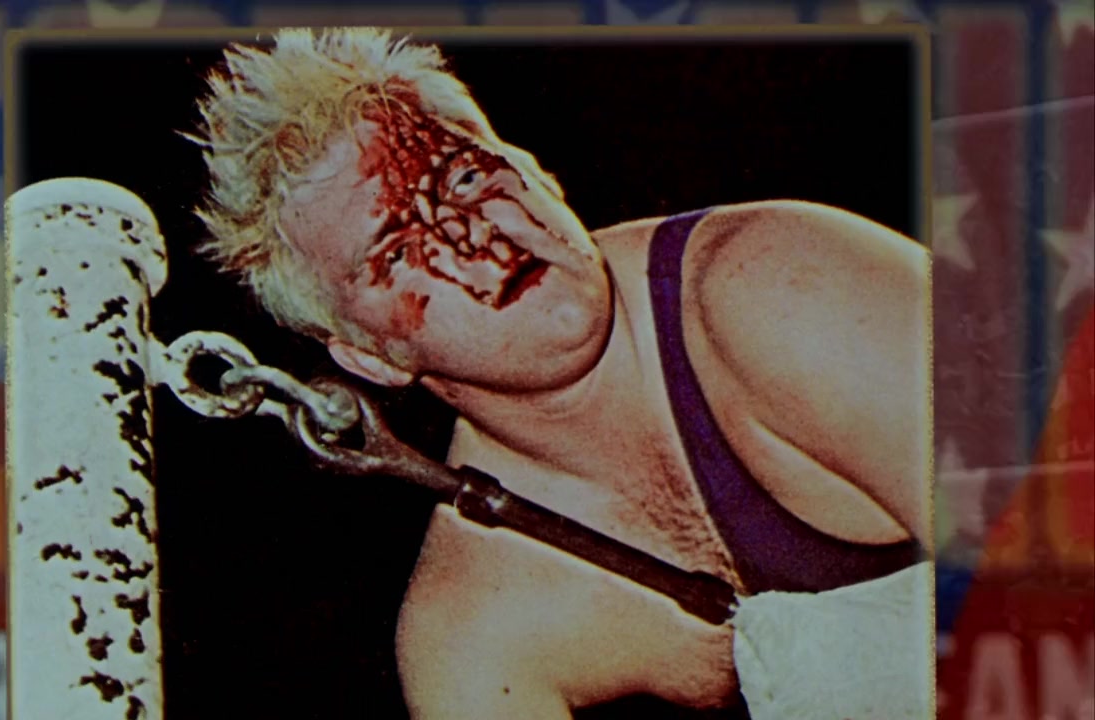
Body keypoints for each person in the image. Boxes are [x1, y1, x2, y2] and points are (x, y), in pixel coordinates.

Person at [189, 28, 932, 718]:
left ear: (533, 169)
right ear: (368, 356)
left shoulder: (784, 288)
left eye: (465, 177)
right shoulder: (475, 631)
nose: (476, 240)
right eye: (397, 252)